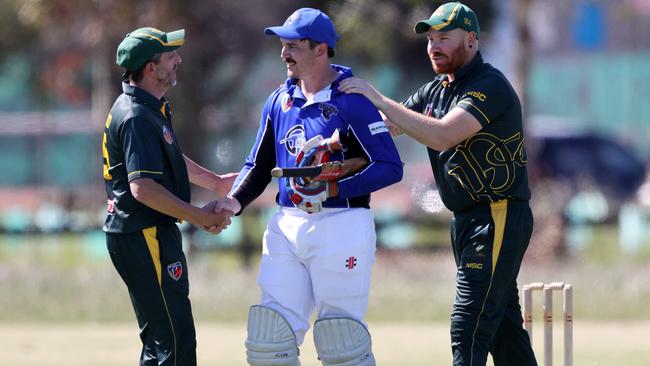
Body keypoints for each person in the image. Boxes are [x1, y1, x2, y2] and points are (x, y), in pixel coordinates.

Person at [339, 2, 538, 365]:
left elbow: (444, 135)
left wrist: (376, 96)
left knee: (468, 326)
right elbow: (389, 123)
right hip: (466, 220)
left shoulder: (488, 85)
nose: (434, 47)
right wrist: (334, 145)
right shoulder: (435, 91)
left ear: (472, 40)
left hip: (497, 215)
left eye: (444, 38)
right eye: (431, 39)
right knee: (504, 328)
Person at [217, 8, 403, 366]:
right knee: (269, 341)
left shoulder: (353, 99)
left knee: (341, 342)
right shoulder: (278, 100)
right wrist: (232, 203)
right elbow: (258, 165)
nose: (284, 53)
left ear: (321, 50)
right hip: (286, 225)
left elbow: (390, 167)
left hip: (341, 225)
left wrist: (335, 190)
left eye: (294, 46)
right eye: (283, 45)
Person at [102, 27, 237, 366]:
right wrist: (199, 216)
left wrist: (217, 182)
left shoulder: (148, 107)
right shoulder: (135, 115)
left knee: (167, 339)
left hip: (147, 233)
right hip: (143, 233)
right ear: (150, 68)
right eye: (170, 55)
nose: (178, 59)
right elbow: (143, 188)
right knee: (173, 343)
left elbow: (168, 156)